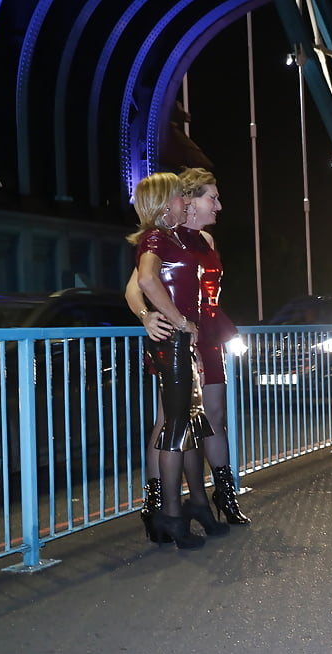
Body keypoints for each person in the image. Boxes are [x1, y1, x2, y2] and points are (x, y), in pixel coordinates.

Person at [126, 167, 249, 529]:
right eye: (211, 197)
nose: (219, 205)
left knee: (212, 418)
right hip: (183, 335)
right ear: (188, 201)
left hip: (207, 331)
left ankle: (219, 495)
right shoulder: (164, 237)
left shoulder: (204, 242)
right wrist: (147, 316)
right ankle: (160, 504)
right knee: (173, 420)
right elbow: (137, 287)